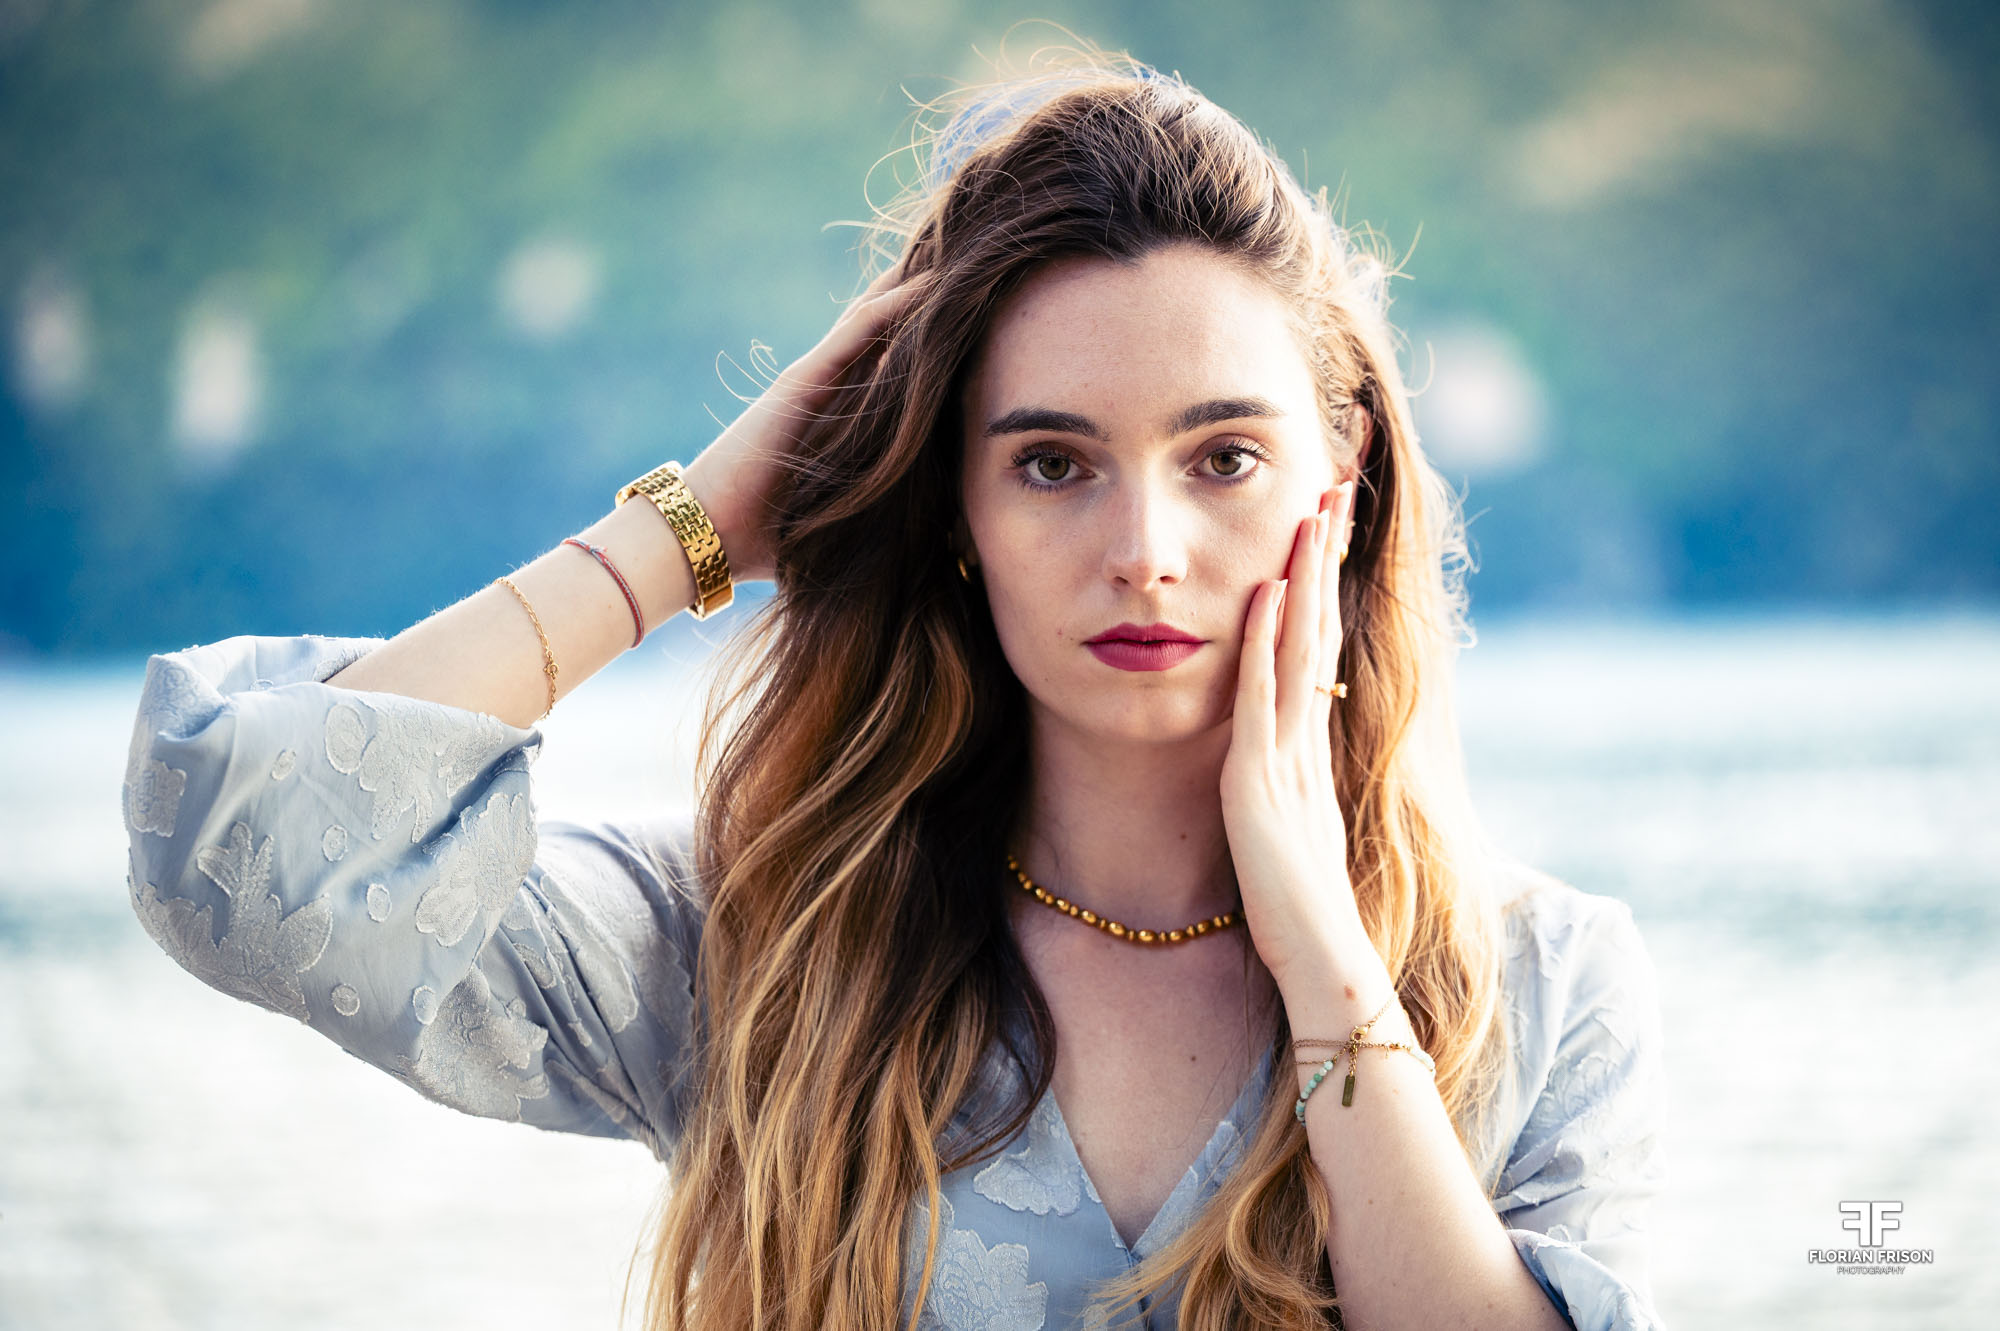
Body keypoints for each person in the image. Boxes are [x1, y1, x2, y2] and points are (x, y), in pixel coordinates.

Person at [121, 39, 1669, 1331]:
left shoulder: (1541, 988)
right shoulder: (755, 941)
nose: (1144, 548)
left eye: (1226, 459)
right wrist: (692, 531)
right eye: (1051, 464)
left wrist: (1324, 948)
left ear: (1348, 496)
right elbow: (250, 863)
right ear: (957, 518)